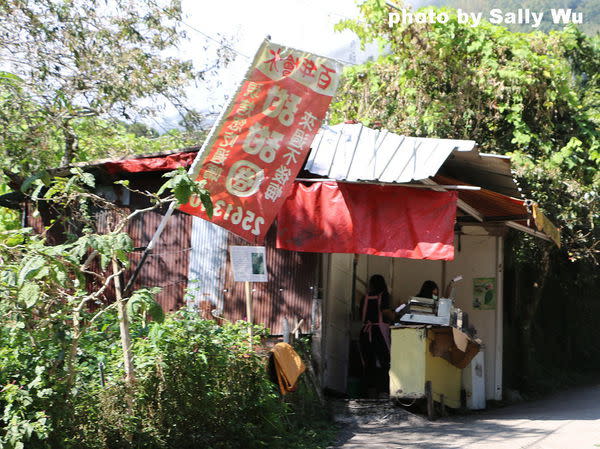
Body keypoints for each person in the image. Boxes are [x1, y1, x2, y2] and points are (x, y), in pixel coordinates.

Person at [359, 274, 392, 397]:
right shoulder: (384, 295)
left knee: (368, 363)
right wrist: (396, 315)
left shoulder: (365, 297)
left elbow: (360, 315)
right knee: (385, 362)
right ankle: (383, 391)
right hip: (379, 332)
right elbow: (385, 312)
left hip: (365, 332)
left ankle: (369, 391)